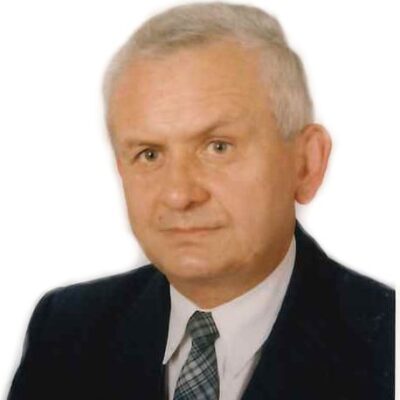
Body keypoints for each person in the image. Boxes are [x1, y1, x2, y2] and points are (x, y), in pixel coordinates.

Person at [7, 3, 394, 399]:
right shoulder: (65, 331)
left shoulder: (384, 343)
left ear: (306, 163)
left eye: (218, 147)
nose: (179, 194)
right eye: (149, 154)